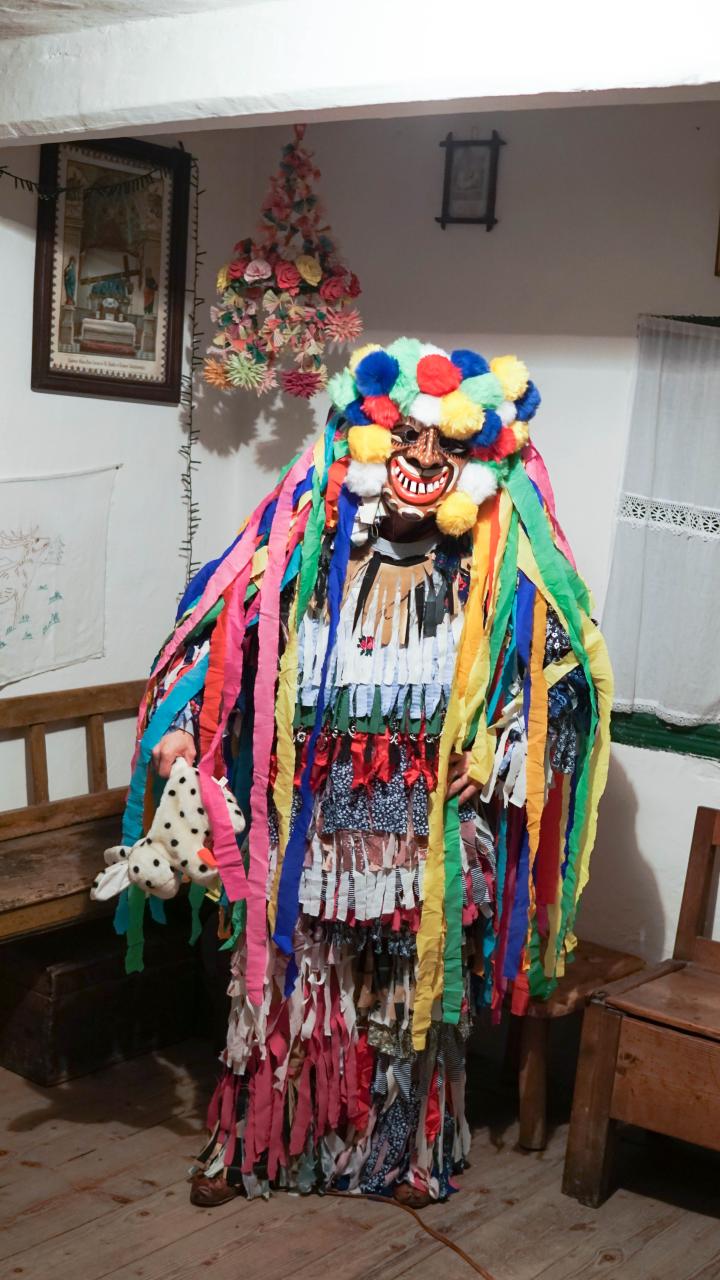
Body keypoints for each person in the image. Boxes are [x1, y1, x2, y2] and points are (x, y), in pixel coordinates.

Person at [105, 338, 612, 1209]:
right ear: (366, 439)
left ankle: (403, 1157)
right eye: (407, 437)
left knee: (406, 997)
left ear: (478, 462)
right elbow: (209, 642)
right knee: (284, 985)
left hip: (423, 832)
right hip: (304, 822)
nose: (425, 459)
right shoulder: (299, 558)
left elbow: (564, 683)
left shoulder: (494, 579)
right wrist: (181, 729)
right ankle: (254, 1149)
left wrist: (505, 744)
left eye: (448, 445)